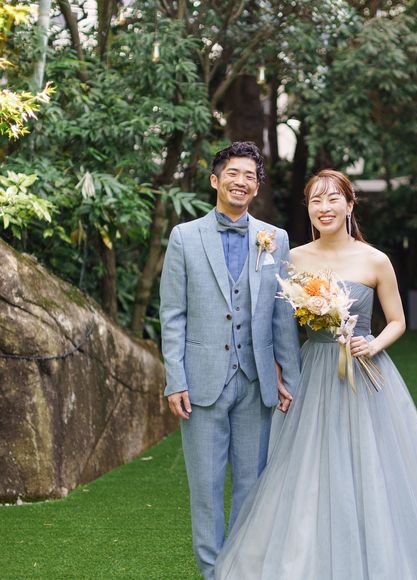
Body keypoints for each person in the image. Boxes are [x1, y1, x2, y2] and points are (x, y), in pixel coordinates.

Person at [214, 169, 417, 579]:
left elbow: (397, 321)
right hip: (312, 371)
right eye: (315, 200)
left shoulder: (375, 259)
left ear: (349, 205)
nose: (324, 208)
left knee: (373, 464)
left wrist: (374, 344)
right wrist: (278, 365)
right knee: (307, 464)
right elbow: (277, 322)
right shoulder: (294, 258)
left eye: (333, 199)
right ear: (308, 209)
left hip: (364, 372)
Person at [159, 141, 301, 580]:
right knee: (204, 487)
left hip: (256, 381)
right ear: (215, 180)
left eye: (250, 176)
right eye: (233, 174)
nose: (241, 182)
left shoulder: (275, 239)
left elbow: (282, 316)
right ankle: (211, 572)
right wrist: (175, 378)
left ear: (257, 187)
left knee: (251, 485)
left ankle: (241, 569)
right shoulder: (184, 237)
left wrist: (289, 378)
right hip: (201, 381)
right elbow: (172, 314)